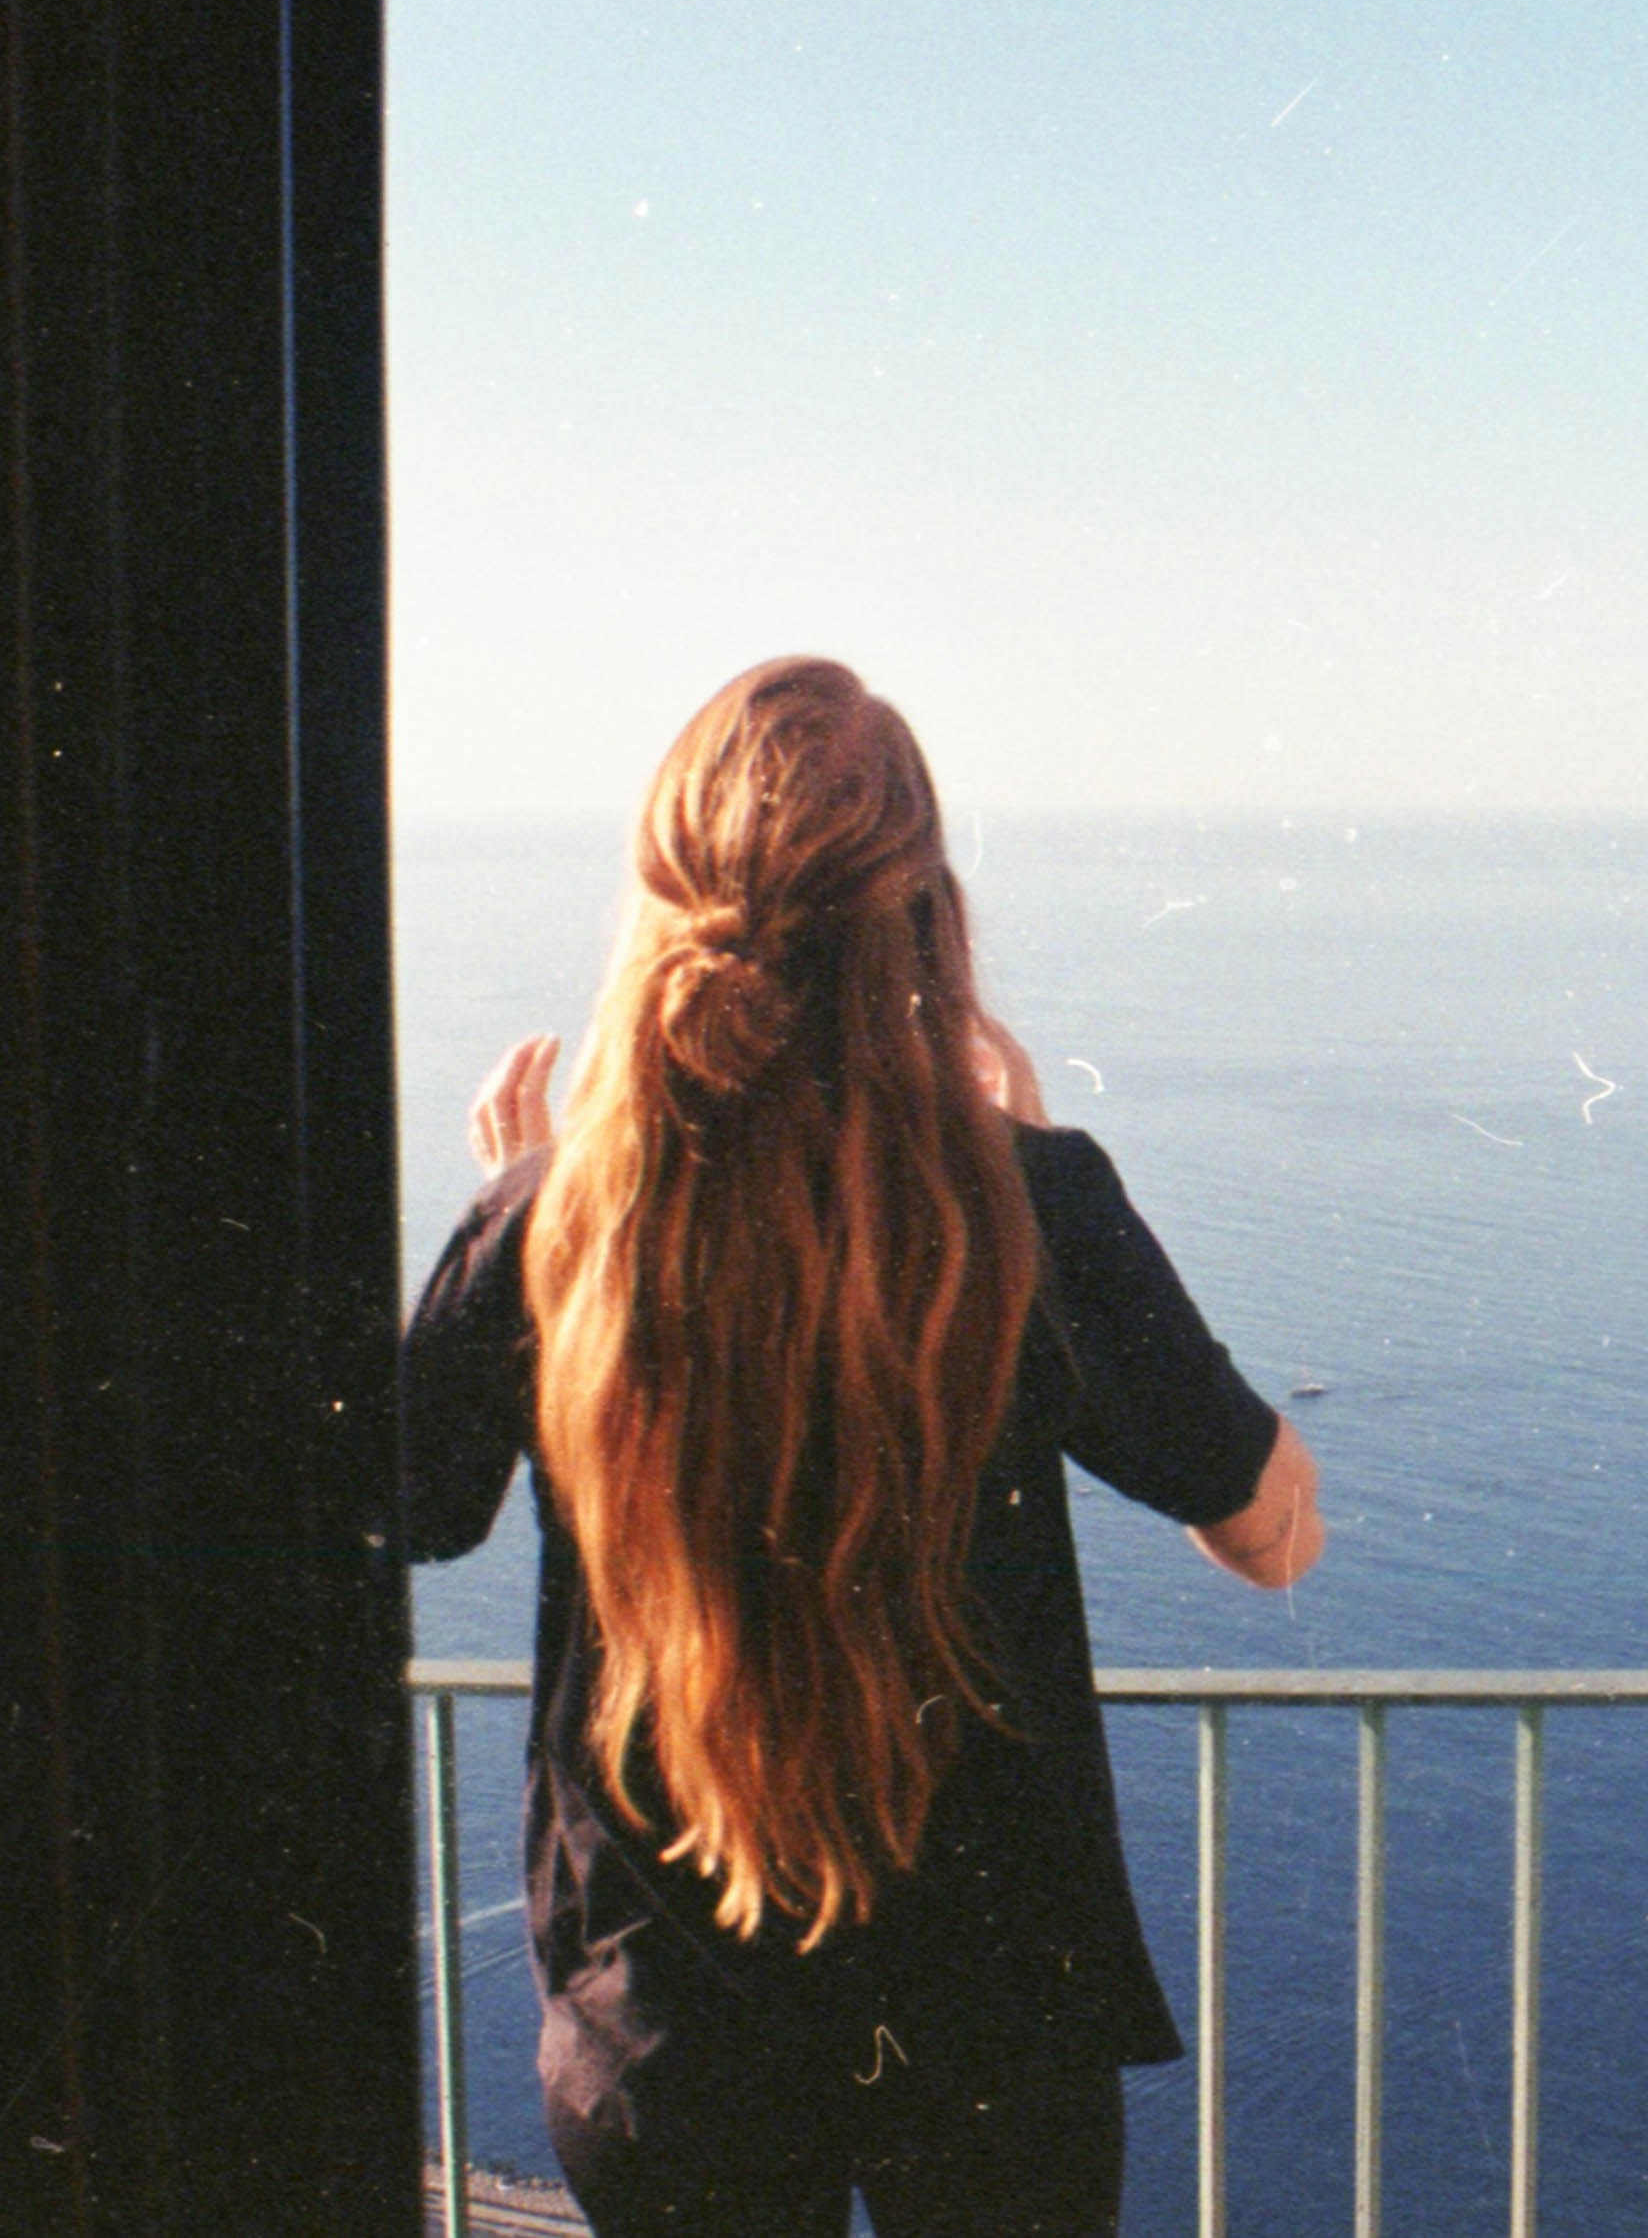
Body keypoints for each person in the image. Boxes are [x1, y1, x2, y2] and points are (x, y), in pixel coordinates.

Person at [400, 656, 1320, 2238]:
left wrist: (512, 1213)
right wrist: (1029, 1169)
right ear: (924, 914)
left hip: (665, 2024)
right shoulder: (1026, 1203)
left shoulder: (554, 1219)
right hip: (989, 2025)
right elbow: (1272, 1535)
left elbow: (411, 1508)